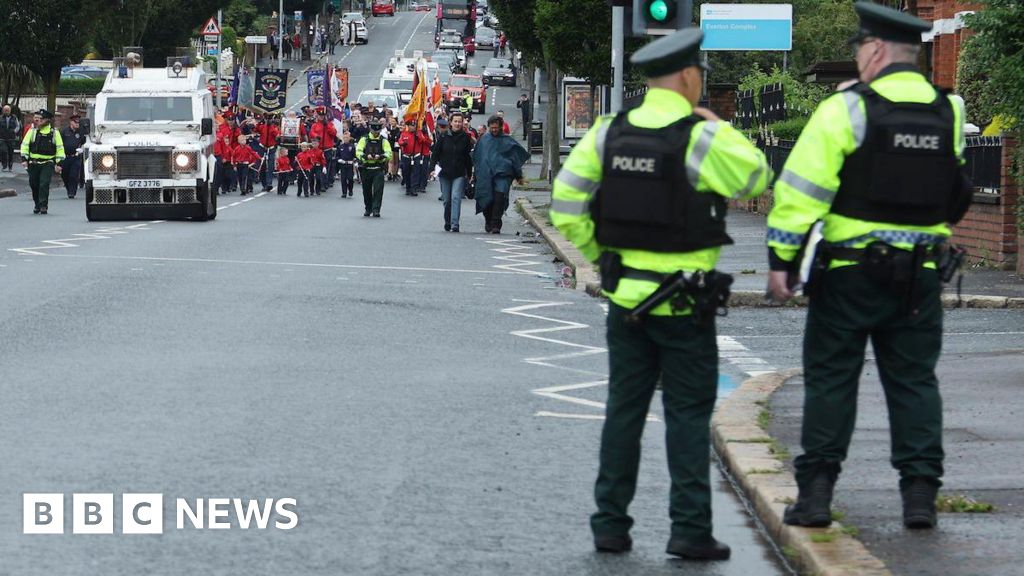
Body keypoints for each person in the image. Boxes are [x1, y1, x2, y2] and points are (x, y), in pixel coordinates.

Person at [551, 29, 771, 559]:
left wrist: (606, 255)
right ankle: (689, 530)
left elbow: (566, 205)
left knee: (624, 410)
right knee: (688, 415)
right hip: (686, 307)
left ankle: (609, 525)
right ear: (689, 77)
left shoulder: (609, 132)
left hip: (626, 300)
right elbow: (757, 177)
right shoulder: (701, 138)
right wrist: (719, 125)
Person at [765, 2, 973, 532]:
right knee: (914, 384)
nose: (858, 59)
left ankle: (814, 499)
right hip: (922, 275)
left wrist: (781, 263)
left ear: (876, 50)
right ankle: (920, 498)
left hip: (849, 273)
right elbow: (953, 193)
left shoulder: (847, 109)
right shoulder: (947, 110)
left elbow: (799, 194)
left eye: (859, 49)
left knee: (833, 381)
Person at [472, 115, 528, 234]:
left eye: (496, 127)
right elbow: (477, 158)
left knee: (499, 198)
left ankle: (496, 223)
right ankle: (488, 220)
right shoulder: (483, 140)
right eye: (492, 127)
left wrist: (519, 176)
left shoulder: (507, 140)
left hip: (502, 176)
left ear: (501, 127)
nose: (494, 130)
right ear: (489, 127)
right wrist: (474, 174)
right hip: (486, 175)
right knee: (487, 198)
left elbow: (515, 159)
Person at [430, 111, 474, 232]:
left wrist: (470, 174)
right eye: (455, 121)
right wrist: (431, 169)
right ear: (450, 122)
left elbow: (467, 157)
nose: (458, 124)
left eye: (460, 121)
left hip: (459, 173)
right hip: (444, 173)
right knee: (447, 200)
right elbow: (435, 154)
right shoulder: (443, 136)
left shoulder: (466, 137)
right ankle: (447, 221)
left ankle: (455, 224)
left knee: (456, 197)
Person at [20, 110, 66, 214]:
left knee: (44, 183)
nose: (37, 121)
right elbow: (25, 145)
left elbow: (60, 149)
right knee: (34, 184)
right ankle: (37, 203)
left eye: (40, 119)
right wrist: (24, 159)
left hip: (48, 162)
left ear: (46, 121)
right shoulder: (32, 132)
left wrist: (59, 163)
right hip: (33, 162)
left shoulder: (54, 133)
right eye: (37, 119)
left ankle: (43, 205)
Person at [356, 118, 392, 217]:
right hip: (366, 168)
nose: (376, 132)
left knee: (378, 190)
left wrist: (380, 156)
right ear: (370, 129)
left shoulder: (383, 140)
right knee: (366, 190)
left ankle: (376, 210)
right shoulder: (364, 139)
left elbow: (389, 153)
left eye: (378, 131)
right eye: (374, 130)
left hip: (378, 168)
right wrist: (365, 156)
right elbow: (358, 151)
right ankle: (368, 208)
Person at [59, 114, 86, 199]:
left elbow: (84, 142)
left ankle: (72, 192)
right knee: (65, 174)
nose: (77, 124)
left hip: (76, 157)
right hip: (65, 157)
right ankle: (68, 188)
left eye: (78, 122)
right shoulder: (64, 131)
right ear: (71, 122)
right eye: (75, 122)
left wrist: (82, 148)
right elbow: (59, 144)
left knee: (73, 175)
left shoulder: (81, 132)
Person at [397, 120, 420, 196]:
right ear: (408, 126)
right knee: (406, 173)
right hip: (406, 156)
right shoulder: (404, 134)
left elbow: (423, 140)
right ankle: (408, 188)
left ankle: (413, 189)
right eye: (411, 125)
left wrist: (418, 137)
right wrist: (403, 143)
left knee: (415, 173)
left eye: (414, 126)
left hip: (415, 156)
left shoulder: (418, 134)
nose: (413, 127)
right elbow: (399, 141)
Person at [0, 104, 21, 171]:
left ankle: (10, 166)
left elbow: (18, 126)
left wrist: (14, 131)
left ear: (10, 111)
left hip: (11, 138)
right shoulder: (0, 118)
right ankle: (4, 165)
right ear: (3, 111)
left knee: (11, 152)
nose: (6, 111)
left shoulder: (14, 117)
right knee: (3, 151)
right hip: (2, 138)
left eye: (7, 110)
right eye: (5, 110)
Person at [336, 130, 357, 198]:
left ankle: (350, 190)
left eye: (347, 137)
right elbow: (337, 156)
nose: (345, 139)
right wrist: (339, 160)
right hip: (343, 164)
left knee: (350, 179)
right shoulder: (340, 147)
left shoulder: (352, 146)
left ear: (349, 138)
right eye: (344, 138)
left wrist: (355, 161)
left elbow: (355, 156)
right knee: (343, 179)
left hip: (350, 165)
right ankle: (344, 192)